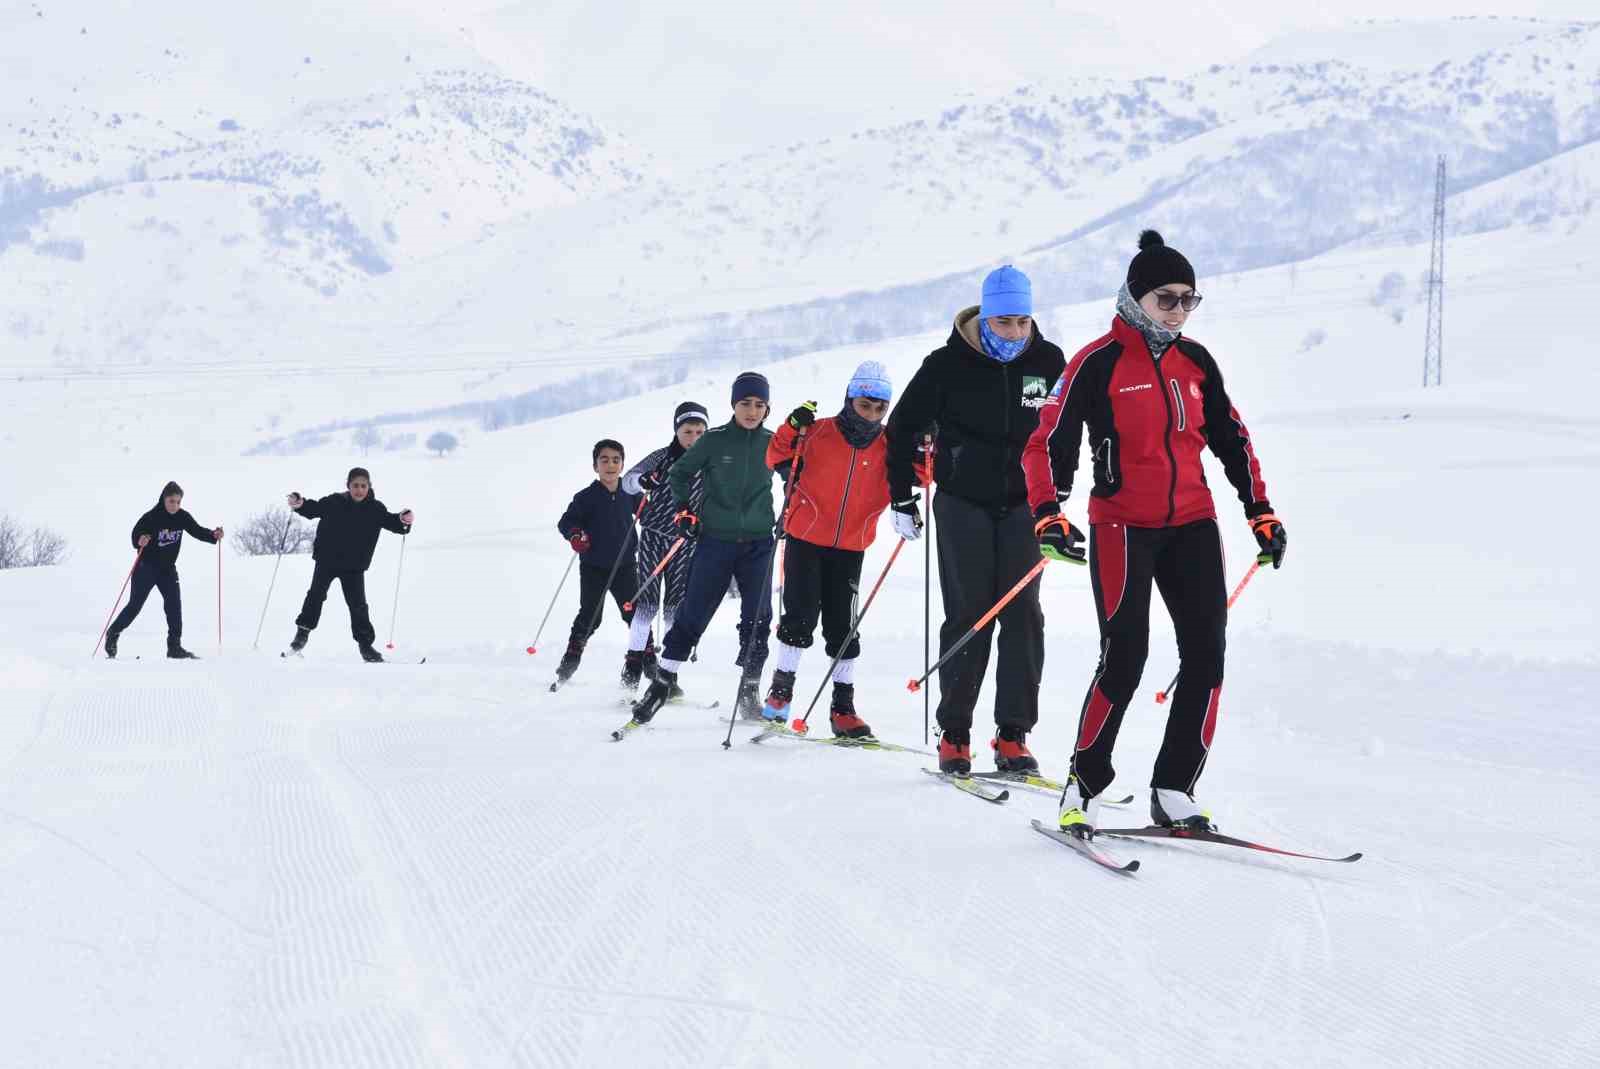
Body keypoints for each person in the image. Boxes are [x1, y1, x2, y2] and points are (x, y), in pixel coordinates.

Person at [1022, 230, 1286, 838]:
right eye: (1166, 297)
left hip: (1192, 522)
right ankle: (1082, 785)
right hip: (1122, 525)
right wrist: (1048, 511)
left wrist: (1260, 511)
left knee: (1206, 657)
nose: (1178, 309)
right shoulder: (1097, 361)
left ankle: (1174, 789)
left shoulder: (1197, 363)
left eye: (1189, 299)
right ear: (1135, 297)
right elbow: (1048, 441)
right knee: (1126, 657)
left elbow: (1232, 438)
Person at [885, 265, 1066, 775]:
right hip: (963, 499)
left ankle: (1013, 734)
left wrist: (1059, 491)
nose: (1014, 333)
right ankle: (955, 732)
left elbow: (1068, 430)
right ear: (985, 317)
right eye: (1004, 322)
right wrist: (901, 497)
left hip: (1025, 506)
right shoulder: (945, 364)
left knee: (1023, 613)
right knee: (971, 611)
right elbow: (901, 430)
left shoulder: (1049, 362)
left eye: (1022, 322)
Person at [760, 361, 902, 738]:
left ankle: (843, 707)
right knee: (800, 615)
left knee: (843, 624)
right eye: (864, 405)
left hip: (852, 545)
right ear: (849, 399)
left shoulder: (890, 444)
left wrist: (926, 445)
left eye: (879, 408)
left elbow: (922, 475)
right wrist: (792, 425)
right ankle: (781, 691)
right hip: (806, 538)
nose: (871, 415)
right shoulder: (818, 431)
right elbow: (775, 456)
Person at [631, 372, 777, 723]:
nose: (752, 411)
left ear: (767, 408)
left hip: (759, 543)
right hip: (715, 541)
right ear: (733, 405)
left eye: (759, 405)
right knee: (692, 614)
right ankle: (661, 685)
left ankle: (749, 691)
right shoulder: (712, 441)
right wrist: (684, 510)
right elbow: (679, 474)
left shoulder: (774, 443)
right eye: (745, 403)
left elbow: (797, 472)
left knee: (758, 619)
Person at [619, 402, 710, 690]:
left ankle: (667, 677)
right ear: (677, 430)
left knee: (675, 609)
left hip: (687, 540)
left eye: (699, 431)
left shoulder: (711, 460)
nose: (693, 438)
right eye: (687, 431)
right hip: (654, 535)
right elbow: (628, 483)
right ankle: (632, 668)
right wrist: (644, 480)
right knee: (646, 605)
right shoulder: (662, 457)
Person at [284, 467, 414, 662]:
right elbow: (314, 509)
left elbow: (394, 523)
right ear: (348, 485)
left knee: (358, 606)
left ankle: (366, 647)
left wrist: (404, 519)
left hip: (354, 566)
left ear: (369, 487)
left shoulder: (375, 509)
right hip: (327, 561)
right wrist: (299, 503)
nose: (359, 490)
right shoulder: (334, 502)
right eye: (355, 485)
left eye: (363, 486)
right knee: (315, 596)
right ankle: (301, 636)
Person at [554, 439, 643, 684]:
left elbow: (648, 512)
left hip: (625, 567)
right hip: (594, 567)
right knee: (591, 616)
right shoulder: (586, 497)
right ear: (595, 466)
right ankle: (569, 662)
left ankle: (645, 664)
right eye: (604, 460)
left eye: (616, 460)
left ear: (622, 464)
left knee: (635, 617)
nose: (611, 465)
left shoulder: (630, 493)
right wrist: (575, 534)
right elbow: (566, 522)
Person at [104, 481, 222, 660]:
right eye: (171, 501)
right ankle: (113, 633)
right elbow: (135, 535)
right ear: (163, 499)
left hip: (167, 569)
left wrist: (213, 535)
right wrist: (140, 540)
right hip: (146, 568)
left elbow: (197, 531)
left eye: (178, 502)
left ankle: (174, 647)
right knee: (135, 605)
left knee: (174, 606)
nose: (175, 505)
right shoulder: (151, 517)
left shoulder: (182, 517)